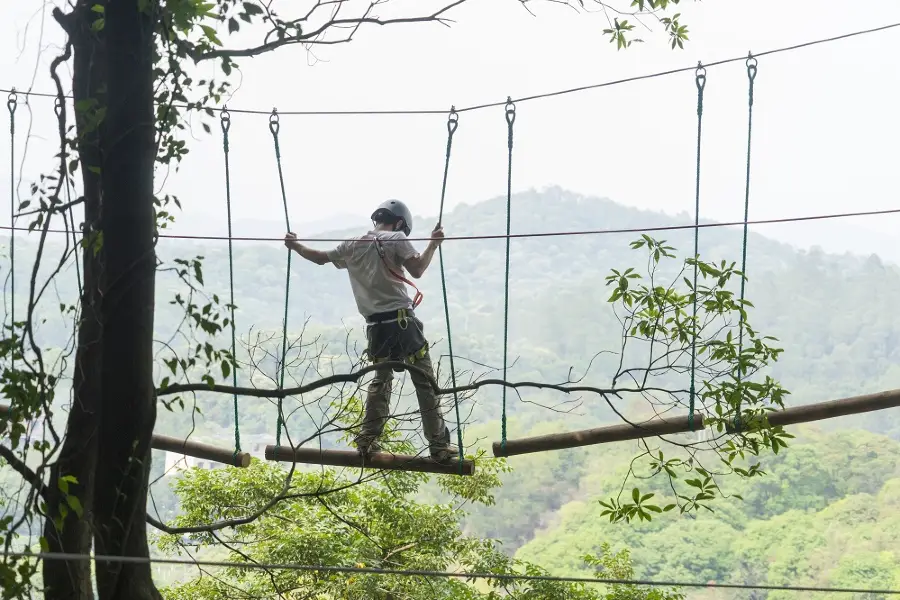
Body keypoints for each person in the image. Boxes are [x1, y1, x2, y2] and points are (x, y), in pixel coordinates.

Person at [284, 199, 460, 462]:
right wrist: (433, 244)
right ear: (399, 222)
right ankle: (439, 445)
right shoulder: (396, 238)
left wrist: (294, 245)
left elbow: (320, 258)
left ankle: (367, 441)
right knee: (425, 382)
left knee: (380, 382)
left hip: (376, 327)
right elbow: (418, 269)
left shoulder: (352, 244)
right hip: (403, 324)